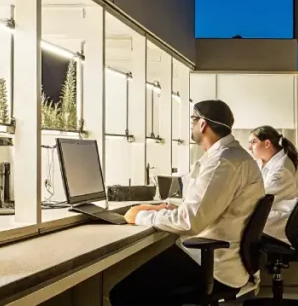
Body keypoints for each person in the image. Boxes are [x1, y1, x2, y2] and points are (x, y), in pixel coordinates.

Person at [110, 100, 265, 305]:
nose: (191, 126)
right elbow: (202, 206)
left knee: (124, 293)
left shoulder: (223, 162)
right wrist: (162, 208)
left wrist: (139, 216)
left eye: (192, 120)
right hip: (220, 258)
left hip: (213, 265)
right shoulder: (231, 157)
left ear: (202, 124)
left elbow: (191, 222)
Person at [248, 125, 298, 244]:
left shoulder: (282, 169)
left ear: (267, 143)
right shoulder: (266, 163)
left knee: (236, 225)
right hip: (274, 217)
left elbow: (259, 197)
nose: (250, 147)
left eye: (253, 142)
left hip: (280, 223)